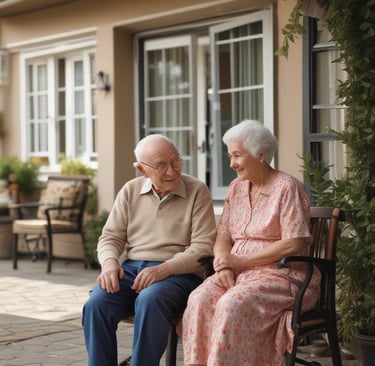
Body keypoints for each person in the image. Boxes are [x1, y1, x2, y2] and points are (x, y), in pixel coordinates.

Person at [182, 120, 320, 366]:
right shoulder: (236, 188)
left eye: (237, 155)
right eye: (230, 155)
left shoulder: (287, 187)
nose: (231, 163)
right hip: (237, 273)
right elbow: (223, 235)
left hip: (282, 275)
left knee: (231, 303)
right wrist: (224, 265)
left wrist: (240, 260)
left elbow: (294, 244)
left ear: (261, 154)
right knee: (199, 298)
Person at [82, 134, 216, 366]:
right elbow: (110, 237)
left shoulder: (197, 190)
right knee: (96, 305)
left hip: (178, 273)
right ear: (142, 170)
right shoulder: (130, 191)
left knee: (150, 299)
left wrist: (164, 269)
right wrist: (110, 263)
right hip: (132, 269)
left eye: (176, 162)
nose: (172, 171)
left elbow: (203, 247)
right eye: (161, 166)